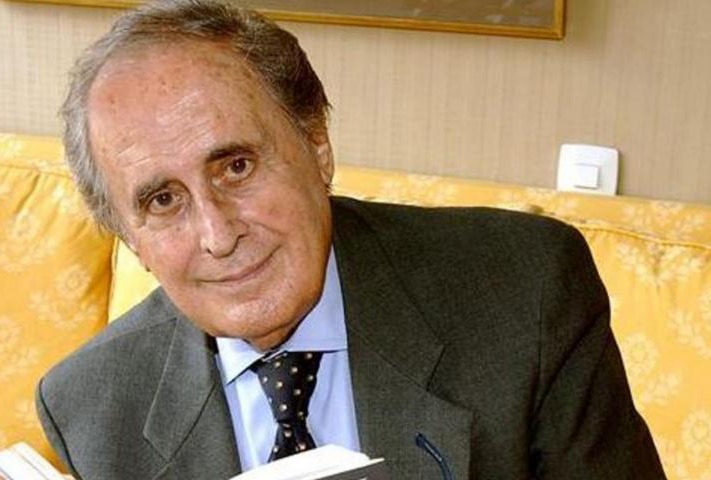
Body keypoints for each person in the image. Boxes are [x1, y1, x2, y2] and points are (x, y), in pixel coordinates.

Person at [36, 0, 666, 478]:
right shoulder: (90, 409)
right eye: (162, 200)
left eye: (237, 167)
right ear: (131, 240)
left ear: (317, 145)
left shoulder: (525, 295)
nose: (218, 234)